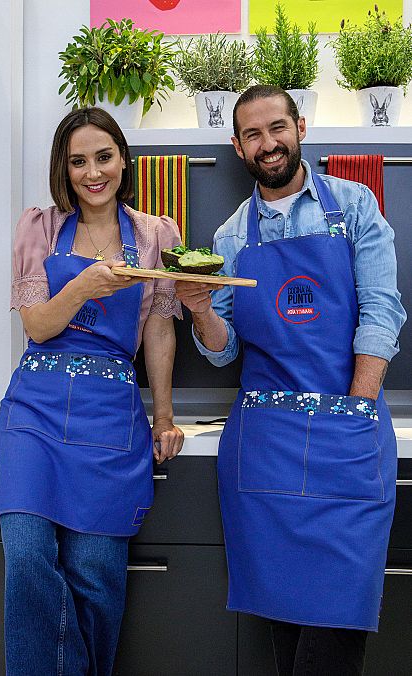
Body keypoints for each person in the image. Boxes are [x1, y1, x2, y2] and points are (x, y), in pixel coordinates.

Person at [175, 85, 406, 676]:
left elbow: (381, 310)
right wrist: (200, 309)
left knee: (334, 635)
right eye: (252, 134)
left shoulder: (354, 207)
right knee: (284, 633)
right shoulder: (230, 238)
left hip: (346, 441)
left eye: (277, 127)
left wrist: (355, 410)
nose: (268, 143)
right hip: (266, 452)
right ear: (236, 146)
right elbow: (223, 354)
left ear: (299, 126)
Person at [0, 107, 184, 676]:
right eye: (78, 161)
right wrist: (83, 284)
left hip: (110, 419)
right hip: (35, 412)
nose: (92, 172)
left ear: (123, 159)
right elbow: (37, 326)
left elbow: (157, 328)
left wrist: (164, 416)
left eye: (103, 157)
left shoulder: (156, 235)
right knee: (27, 562)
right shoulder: (40, 227)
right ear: (64, 168)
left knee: (96, 581)